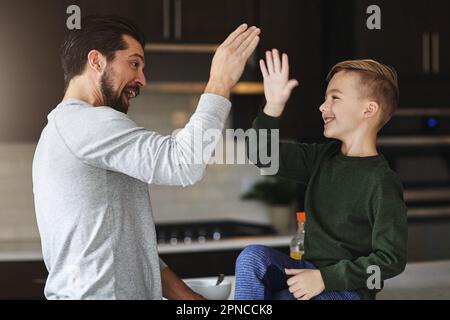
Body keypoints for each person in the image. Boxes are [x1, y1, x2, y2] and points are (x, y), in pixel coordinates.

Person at [32, 15, 260, 299]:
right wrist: (220, 80)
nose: (142, 79)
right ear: (96, 61)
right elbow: (183, 163)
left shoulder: (62, 127)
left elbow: (129, 248)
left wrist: (192, 300)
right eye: (134, 63)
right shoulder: (86, 123)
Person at [235, 50, 408, 300]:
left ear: (368, 110)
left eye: (334, 98)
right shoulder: (321, 158)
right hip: (307, 272)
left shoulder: (382, 181)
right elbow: (263, 154)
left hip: (347, 290)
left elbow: (391, 260)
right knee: (252, 257)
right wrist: (273, 106)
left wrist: (325, 279)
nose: (322, 106)